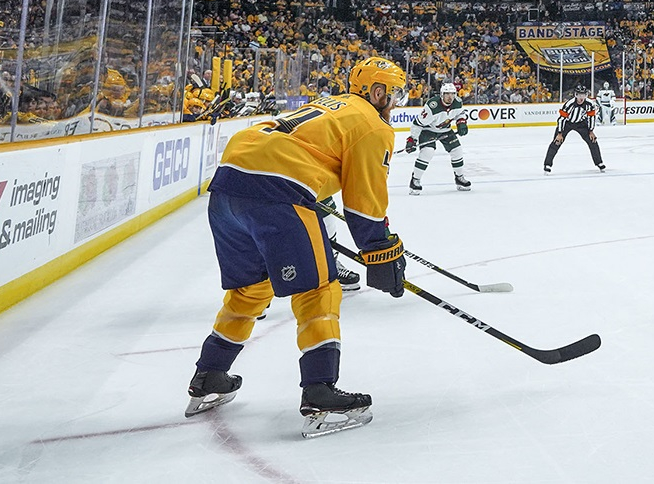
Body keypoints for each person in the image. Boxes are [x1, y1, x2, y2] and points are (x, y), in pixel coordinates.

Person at [186, 55, 408, 437]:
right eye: (395, 93)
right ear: (377, 91)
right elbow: (364, 201)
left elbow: (306, 150)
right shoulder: (373, 125)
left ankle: (210, 374)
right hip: (278, 192)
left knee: (251, 287)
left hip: (227, 186)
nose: (397, 101)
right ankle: (319, 389)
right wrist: (381, 250)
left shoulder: (332, 105)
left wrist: (313, 195)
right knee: (319, 287)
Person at [407, 81, 471, 194]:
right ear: (442, 95)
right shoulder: (432, 106)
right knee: (428, 152)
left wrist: (461, 122)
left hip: (445, 129)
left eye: (452, 94)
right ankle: (415, 180)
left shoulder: (457, 102)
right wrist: (412, 139)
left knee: (457, 151)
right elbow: (418, 124)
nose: (450, 97)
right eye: (447, 94)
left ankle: (459, 178)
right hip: (428, 131)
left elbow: (461, 113)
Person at [544, 89, 605, 172]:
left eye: (584, 95)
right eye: (580, 95)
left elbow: (591, 117)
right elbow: (562, 119)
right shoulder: (569, 104)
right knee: (556, 142)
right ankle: (547, 164)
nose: (582, 97)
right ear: (576, 95)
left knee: (593, 141)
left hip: (581, 124)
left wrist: (591, 131)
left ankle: (599, 162)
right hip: (567, 123)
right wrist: (559, 133)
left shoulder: (590, 104)